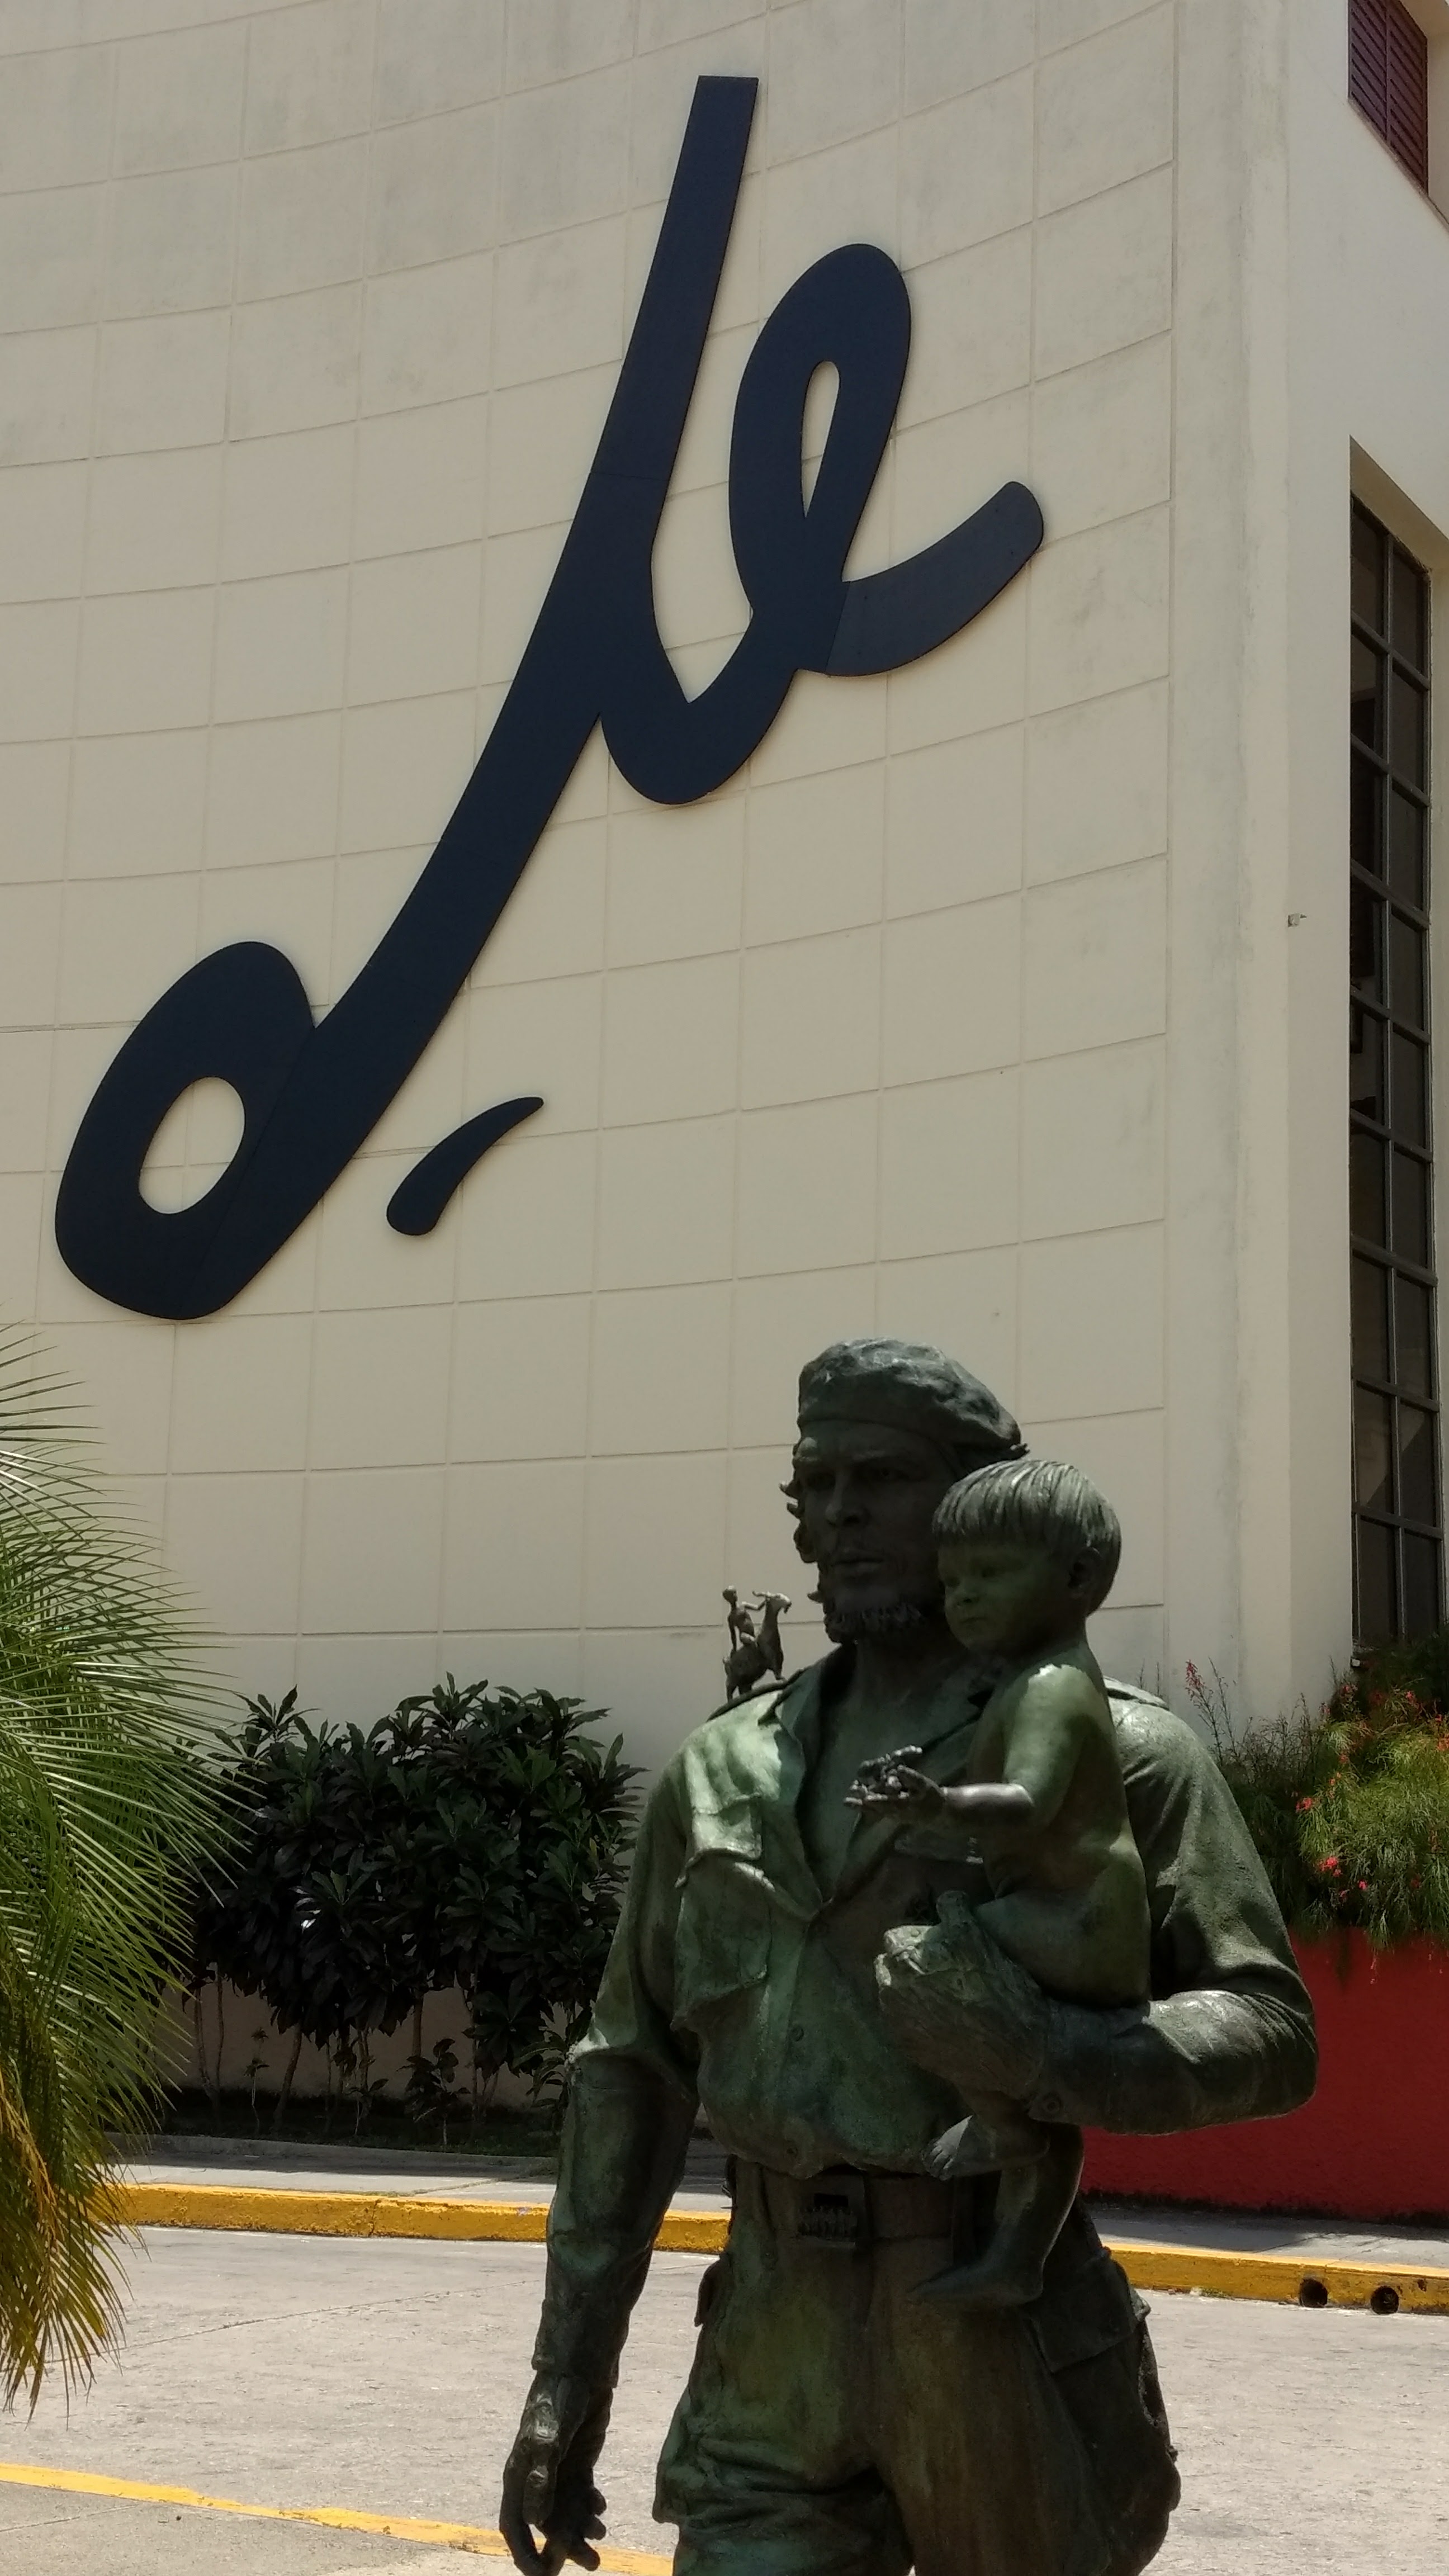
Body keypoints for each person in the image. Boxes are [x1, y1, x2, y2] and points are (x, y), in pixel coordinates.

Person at [500, 1338, 1317, 2576]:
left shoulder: (1112, 1752)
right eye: (815, 1486)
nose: (838, 1516)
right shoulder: (718, 1770)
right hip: (771, 2344)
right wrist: (569, 2373)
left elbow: (1268, 2027)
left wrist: (1053, 2056)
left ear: (974, 1502)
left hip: (993, 2328)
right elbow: (630, 2071)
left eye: (879, 1479)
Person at [846, 1456, 1150, 2309]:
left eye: (990, 1574)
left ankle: (999, 2124)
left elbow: (1026, 1802)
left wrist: (938, 1805)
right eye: (953, 1581)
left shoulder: (1052, 1689)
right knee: (1040, 2105)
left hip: (1079, 1917)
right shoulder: (1029, 1680)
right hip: (1073, 1911)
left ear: (1077, 1579)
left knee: (921, 1963)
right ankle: (1017, 2258)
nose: (964, 1597)